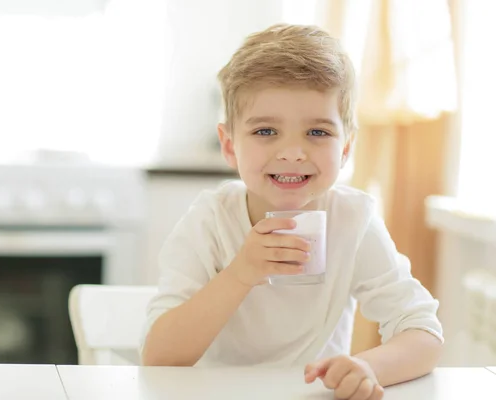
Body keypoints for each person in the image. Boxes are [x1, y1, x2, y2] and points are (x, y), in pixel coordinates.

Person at [140, 23, 443, 399]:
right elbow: (159, 357)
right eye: (266, 131)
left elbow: (424, 333)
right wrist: (240, 273)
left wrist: (369, 367)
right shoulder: (210, 221)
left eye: (317, 133)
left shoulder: (353, 221)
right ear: (230, 145)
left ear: (346, 147)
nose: (293, 152)